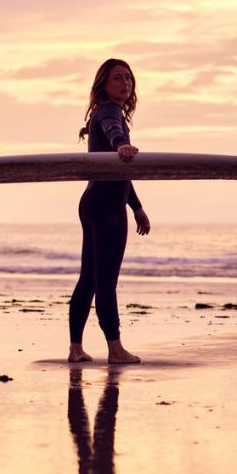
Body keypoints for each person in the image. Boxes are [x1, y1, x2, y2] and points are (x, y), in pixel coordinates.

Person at [68, 58, 150, 364]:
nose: (125, 83)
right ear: (104, 83)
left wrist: (137, 206)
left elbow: (119, 172)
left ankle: (76, 348)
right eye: (117, 78)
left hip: (93, 202)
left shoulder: (101, 112)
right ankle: (115, 350)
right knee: (105, 281)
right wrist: (121, 144)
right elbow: (114, 131)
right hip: (108, 208)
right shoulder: (109, 112)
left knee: (89, 279)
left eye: (128, 78)